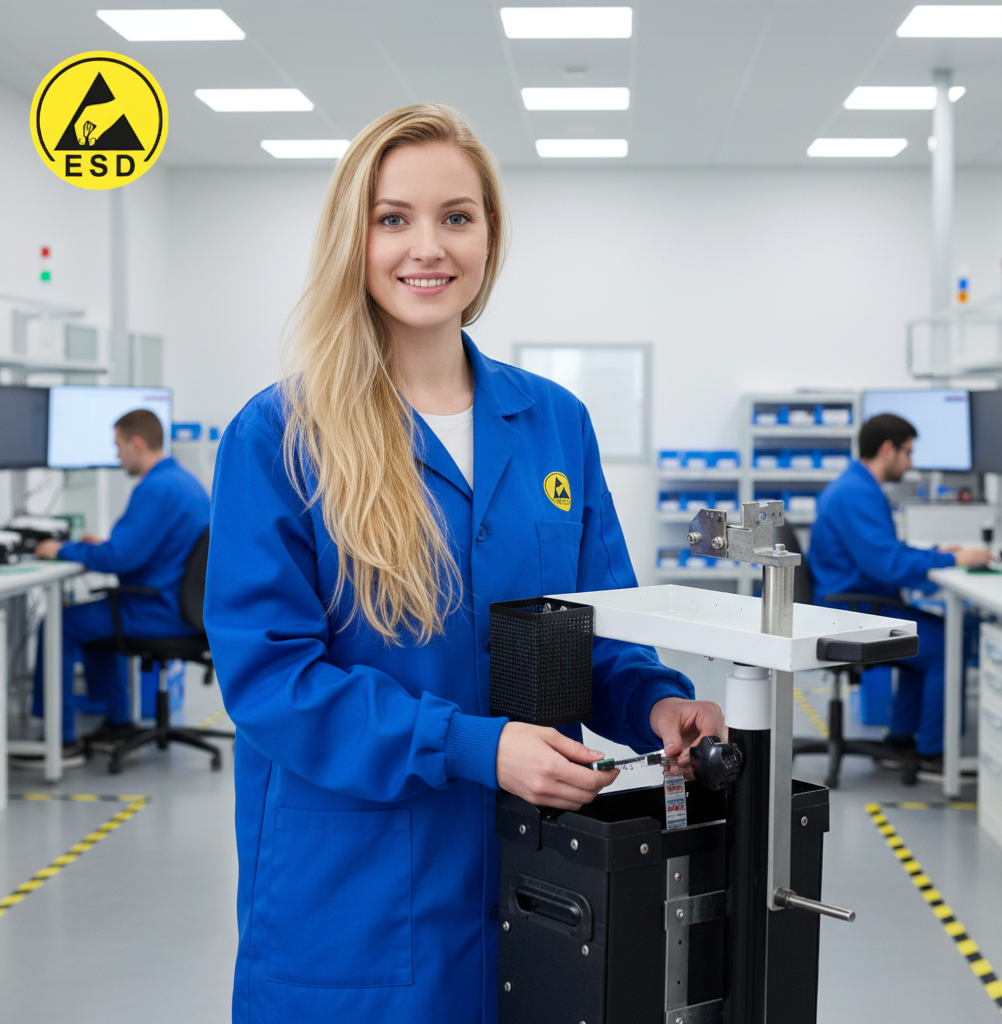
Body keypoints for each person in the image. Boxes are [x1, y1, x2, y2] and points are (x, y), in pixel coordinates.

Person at [204, 104, 725, 1024]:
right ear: (352, 239)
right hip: (356, 896)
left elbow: (594, 631)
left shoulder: (555, 421)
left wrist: (657, 702)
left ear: (490, 235)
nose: (427, 246)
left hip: (538, 884)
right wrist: (474, 746)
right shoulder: (282, 433)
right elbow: (271, 680)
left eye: (457, 216)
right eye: (392, 217)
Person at [21, 408, 210, 766]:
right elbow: (139, 548)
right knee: (92, 624)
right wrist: (99, 547)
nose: (116, 455)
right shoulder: (183, 482)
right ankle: (117, 723)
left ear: (136, 444)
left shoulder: (156, 489)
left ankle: (58, 742)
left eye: (118, 446)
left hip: (159, 611)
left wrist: (61, 549)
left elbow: (119, 558)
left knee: (59, 625)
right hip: (183, 608)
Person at [808, 412, 990, 770]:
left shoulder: (855, 486)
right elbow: (887, 565)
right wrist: (950, 561)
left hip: (856, 601)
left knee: (929, 634)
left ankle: (902, 738)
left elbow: (885, 552)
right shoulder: (856, 493)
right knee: (943, 644)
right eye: (908, 452)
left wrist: (941, 555)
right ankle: (935, 754)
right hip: (852, 612)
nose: (911, 462)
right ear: (887, 449)